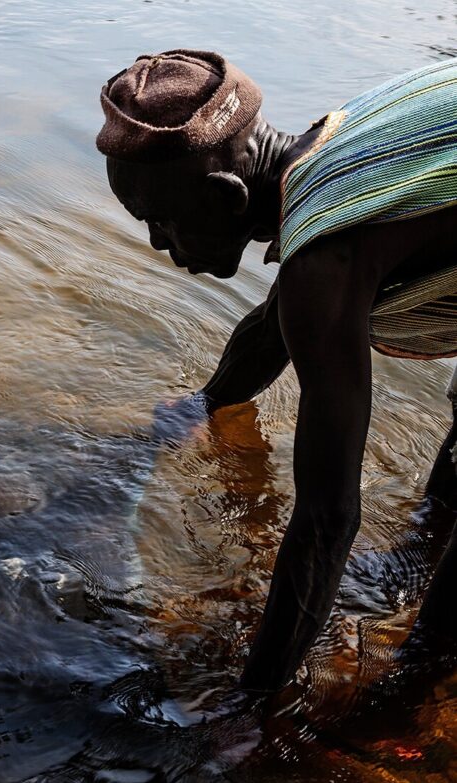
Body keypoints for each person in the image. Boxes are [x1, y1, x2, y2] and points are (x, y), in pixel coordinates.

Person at [95, 50, 457, 692]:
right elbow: (271, 331)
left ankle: (403, 701)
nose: (156, 242)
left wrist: (249, 703)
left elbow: (325, 518)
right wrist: (203, 407)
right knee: (443, 508)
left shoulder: (325, 261)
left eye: (160, 219)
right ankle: (414, 575)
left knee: (423, 658)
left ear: (224, 197)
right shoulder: (329, 150)